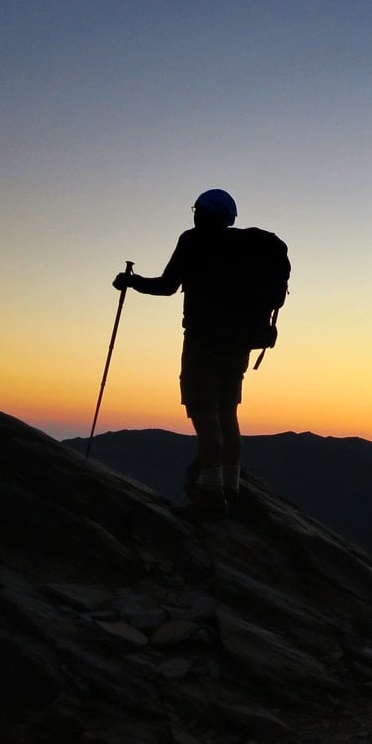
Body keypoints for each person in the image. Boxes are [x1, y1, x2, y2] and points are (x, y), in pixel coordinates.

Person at [114, 188, 290, 517]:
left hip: (203, 341)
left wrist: (132, 282)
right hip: (239, 343)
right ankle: (230, 488)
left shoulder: (194, 240)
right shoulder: (247, 249)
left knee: (205, 412)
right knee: (227, 413)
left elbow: (167, 286)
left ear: (203, 212)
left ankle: (210, 494)